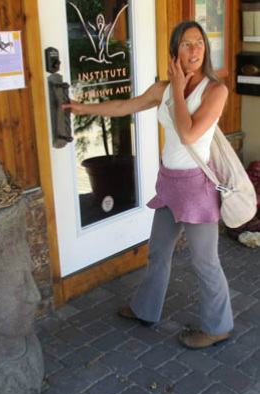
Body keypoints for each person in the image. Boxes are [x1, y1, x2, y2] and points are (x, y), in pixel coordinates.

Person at [63, 20, 234, 349]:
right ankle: (145, 309)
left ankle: (218, 326)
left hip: (197, 188)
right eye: (186, 43)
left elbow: (187, 134)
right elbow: (123, 106)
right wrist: (81, 107)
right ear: (174, 50)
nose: (195, 48)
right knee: (157, 253)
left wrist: (179, 89)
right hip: (170, 184)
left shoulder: (216, 90)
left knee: (205, 262)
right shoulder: (162, 89)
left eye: (199, 42)